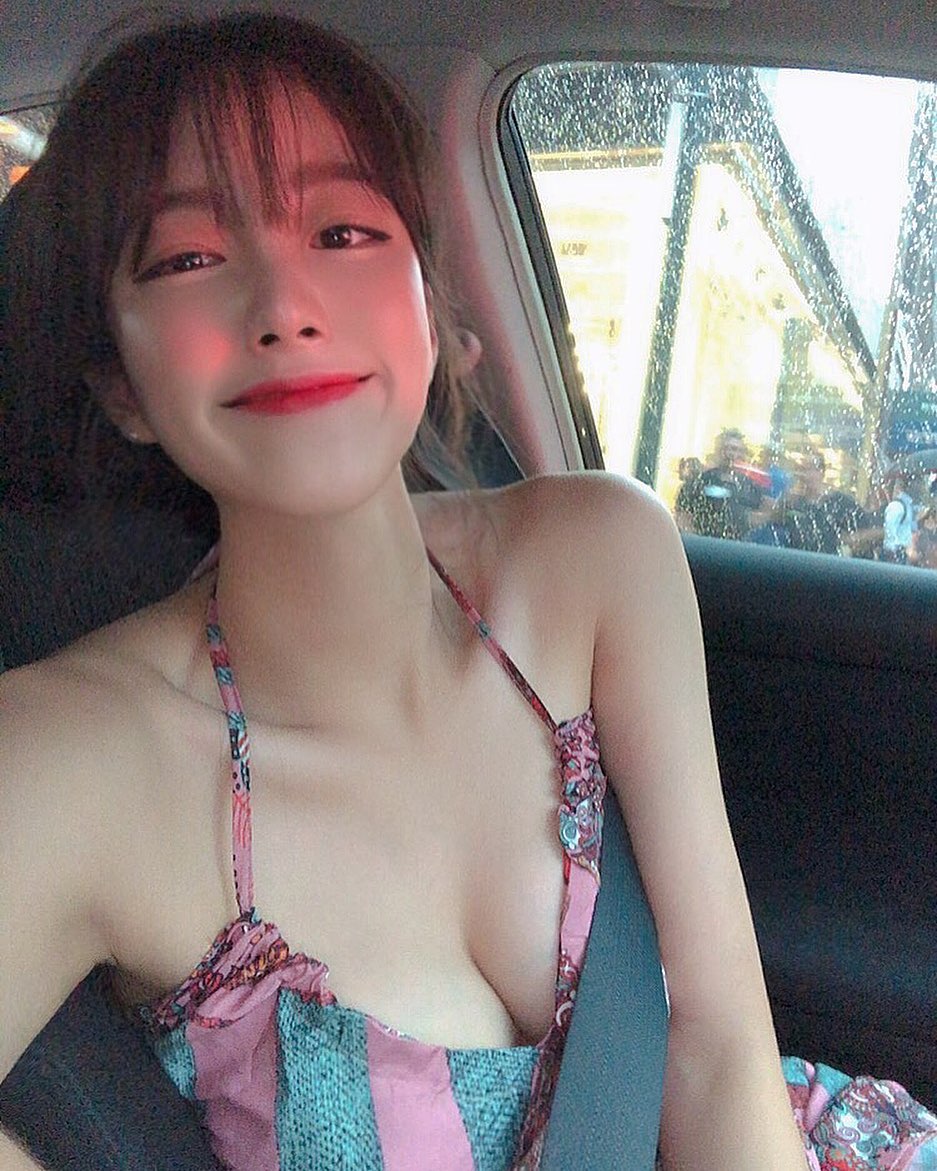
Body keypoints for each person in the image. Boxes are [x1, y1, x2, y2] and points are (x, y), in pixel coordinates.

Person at [0, 13, 934, 1171]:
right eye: (188, 258)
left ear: (432, 316)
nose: (285, 304)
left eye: (343, 231)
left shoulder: (596, 557)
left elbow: (715, 1044)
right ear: (121, 385)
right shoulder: (71, 758)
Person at [674, 428, 765, 540]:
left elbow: (761, 518)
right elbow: (683, 518)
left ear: (743, 455)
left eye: (735, 449)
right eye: (725, 448)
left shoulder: (751, 488)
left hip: (739, 547)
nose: (730, 454)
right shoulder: (699, 482)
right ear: (717, 452)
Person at [882, 472, 917, 563]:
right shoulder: (900, 506)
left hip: (898, 553)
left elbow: (890, 532)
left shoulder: (899, 506)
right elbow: (889, 532)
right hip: (897, 553)